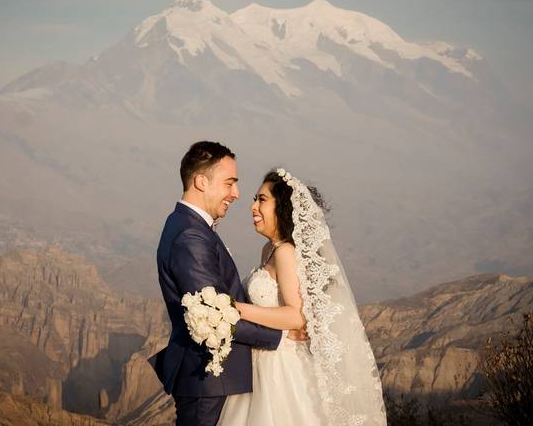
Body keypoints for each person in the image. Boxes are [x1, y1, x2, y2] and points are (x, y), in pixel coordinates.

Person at [149, 141, 305, 426]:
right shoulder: (190, 237)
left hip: (222, 379)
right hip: (207, 379)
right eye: (229, 183)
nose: (237, 194)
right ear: (201, 182)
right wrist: (280, 338)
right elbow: (214, 315)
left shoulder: (188, 227)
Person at [217, 168, 387, 425]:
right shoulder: (269, 250)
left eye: (262, 200)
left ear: (282, 207)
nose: (253, 206)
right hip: (261, 362)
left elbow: (297, 314)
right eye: (255, 199)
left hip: (281, 368)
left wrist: (236, 309)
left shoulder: (285, 251)